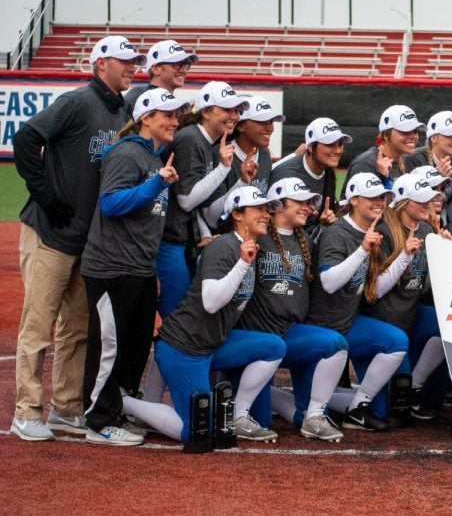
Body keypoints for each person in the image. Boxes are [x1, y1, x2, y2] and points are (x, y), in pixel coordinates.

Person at [10, 35, 145, 442]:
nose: (132, 67)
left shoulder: (122, 108)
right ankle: (26, 411)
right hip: (50, 232)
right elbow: (25, 139)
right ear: (100, 63)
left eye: (134, 61)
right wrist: (46, 196)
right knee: (38, 326)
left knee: (78, 328)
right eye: (124, 61)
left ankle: (66, 408)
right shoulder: (75, 101)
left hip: (87, 239)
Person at [121, 186, 287, 443]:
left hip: (212, 344)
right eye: (259, 208)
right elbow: (210, 302)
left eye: (267, 209)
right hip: (183, 347)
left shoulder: (248, 246)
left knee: (273, 346)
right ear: (237, 214)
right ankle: (123, 402)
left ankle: (238, 415)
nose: (266, 214)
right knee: (197, 431)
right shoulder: (225, 247)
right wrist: (242, 264)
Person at [78, 89, 184, 446]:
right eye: (167, 116)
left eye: (176, 116)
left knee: (133, 347)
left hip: (138, 269)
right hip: (111, 268)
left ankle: (117, 410)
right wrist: (156, 183)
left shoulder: (155, 157)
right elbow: (109, 204)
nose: (174, 122)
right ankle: (97, 419)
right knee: (109, 346)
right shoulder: (128, 153)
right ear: (146, 119)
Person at [144, 81, 249, 404]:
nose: (233, 116)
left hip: (183, 241)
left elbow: (203, 209)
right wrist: (224, 169)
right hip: (169, 243)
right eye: (227, 109)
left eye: (236, 110)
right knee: (179, 328)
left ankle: (151, 399)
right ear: (206, 111)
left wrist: (238, 183)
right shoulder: (192, 139)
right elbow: (187, 200)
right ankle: (148, 401)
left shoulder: (207, 141)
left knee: (180, 325)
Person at [236, 178, 348, 442]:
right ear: (277, 205)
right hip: (257, 338)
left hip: (288, 333)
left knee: (335, 343)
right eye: (299, 201)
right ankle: (257, 392)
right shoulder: (257, 236)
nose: (308, 207)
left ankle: (314, 417)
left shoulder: (305, 240)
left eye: (310, 202)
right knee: (260, 420)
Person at [307, 173, 409, 431]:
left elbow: (373, 290)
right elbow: (329, 283)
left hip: (348, 324)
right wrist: (362, 250)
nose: (379, 202)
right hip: (322, 326)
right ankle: (276, 397)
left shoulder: (373, 232)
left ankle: (358, 407)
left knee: (397, 341)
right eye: (372, 197)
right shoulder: (337, 233)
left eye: (383, 197)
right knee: (302, 410)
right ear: (353, 200)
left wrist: (405, 256)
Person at [363, 173, 449, 421]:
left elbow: (425, 286)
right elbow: (375, 291)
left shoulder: (425, 229)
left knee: (450, 326)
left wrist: (446, 252)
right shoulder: (384, 231)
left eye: (429, 199)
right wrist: (404, 257)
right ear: (402, 202)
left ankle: (415, 387)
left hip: (410, 314)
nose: (427, 205)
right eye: (420, 200)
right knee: (388, 411)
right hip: (383, 319)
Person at [201, 95, 285, 229]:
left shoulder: (264, 154)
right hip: (223, 238)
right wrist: (242, 182)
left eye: (271, 122)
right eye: (262, 122)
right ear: (240, 126)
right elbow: (210, 218)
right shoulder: (220, 154)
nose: (270, 128)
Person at [270, 116, 351, 237]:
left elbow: (327, 216)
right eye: (330, 144)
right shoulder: (286, 176)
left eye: (340, 144)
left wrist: (326, 220)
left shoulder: (328, 171)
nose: (338, 150)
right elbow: (277, 225)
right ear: (310, 146)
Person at [340, 104, 425, 197]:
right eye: (405, 131)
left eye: (415, 130)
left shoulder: (406, 160)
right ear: (385, 134)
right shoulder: (366, 164)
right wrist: (382, 177)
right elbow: (359, 207)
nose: (413, 136)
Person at [403, 110, 452, 221]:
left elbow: (447, 204)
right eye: (451, 135)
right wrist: (435, 179)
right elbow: (404, 200)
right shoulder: (414, 159)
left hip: (438, 220)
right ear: (434, 137)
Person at [123, 39, 198, 115]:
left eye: (186, 65)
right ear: (156, 69)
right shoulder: (139, 95)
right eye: (177, 64)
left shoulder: (172, 102)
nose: (184, 70)